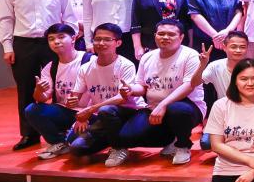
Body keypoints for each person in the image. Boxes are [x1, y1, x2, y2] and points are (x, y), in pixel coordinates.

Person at [0, 0, 77, 150]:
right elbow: (4, 19)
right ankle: (29, 134)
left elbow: (69, 15)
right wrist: (7, 46)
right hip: (24, 44)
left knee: (60, 87)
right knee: (25, 89)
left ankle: (61, 132)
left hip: (54, 42)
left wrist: (71, 41)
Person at [114, 18, 206, 167]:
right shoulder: (147, 57)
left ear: (181, 37)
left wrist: (163, 104)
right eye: (161, 34)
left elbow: (188, 86)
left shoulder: (190, 55)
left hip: (186, 107)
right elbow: (142, 86)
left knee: (178, 110)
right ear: (155, 35)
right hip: (153, 108)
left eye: (171, 34)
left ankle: (183, 145)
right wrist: (131, 90)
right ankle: (170, 139)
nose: (165, 37)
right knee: (127, 136)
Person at [64, 23, 141, 159]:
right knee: (75, 147)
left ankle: (119, 147)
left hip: (126, 112)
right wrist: (74, 106)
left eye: (107, 39)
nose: (101, 43)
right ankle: (109, 138)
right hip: (101, 114)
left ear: (118, 43)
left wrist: (90, 110)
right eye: (97, 39)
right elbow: (75, 97)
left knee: (107, 110)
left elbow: (122, 98)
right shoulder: (85, 68)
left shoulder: (126, 65)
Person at [24, 23, 89, 159]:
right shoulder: (50, 67)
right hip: (65, 111)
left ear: (73, 38)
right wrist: (39, 90)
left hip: (89, 113)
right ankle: (59, 142)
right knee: (32, 110)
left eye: (61, 37)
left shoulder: (89, 61)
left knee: (77, 145)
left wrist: (87, 115)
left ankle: (72, 138)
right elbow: (42, 99)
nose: (56, 42)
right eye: (51, 39)